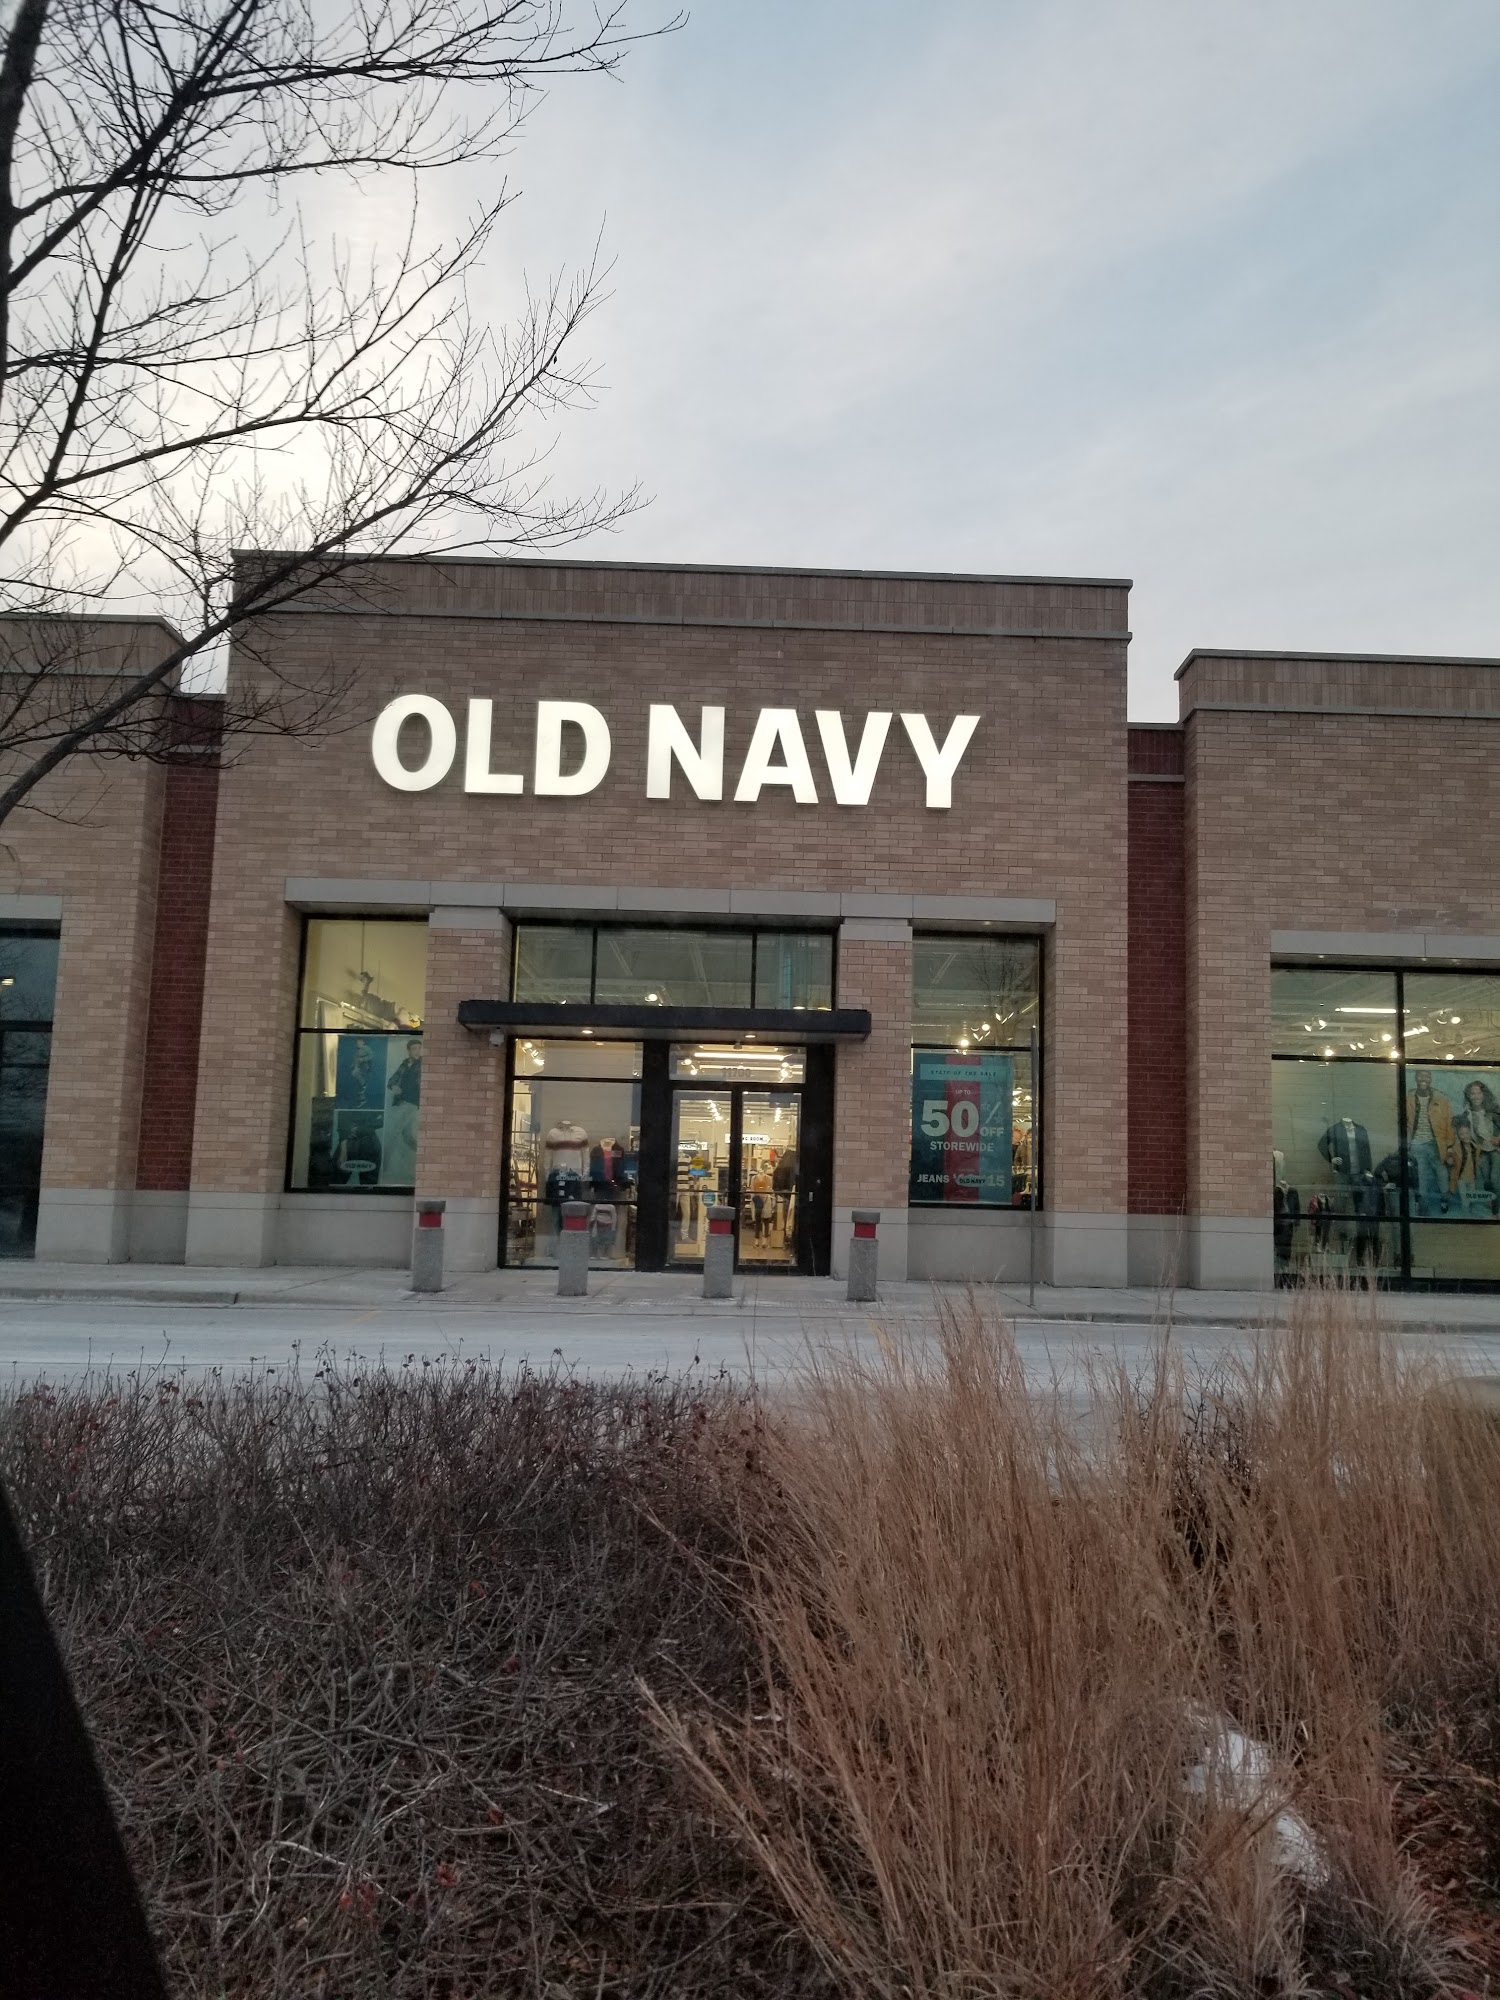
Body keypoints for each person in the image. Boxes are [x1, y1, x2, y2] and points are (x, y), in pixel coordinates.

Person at [1405, 1068, 1457, 1216]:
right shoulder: (1408, 1099)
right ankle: (1423, 1208)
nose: (1423, 1078)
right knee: (1421, 1176)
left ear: (1431, 1079)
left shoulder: (1441, 1100)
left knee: (1442, 1174)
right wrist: (1405, 1144)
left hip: (1436, 1144)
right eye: (1420, 1075)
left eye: (1427, 1076)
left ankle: (1444, 1201)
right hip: (1416, 1144)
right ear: (1415, 1078)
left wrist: (1450, 1146)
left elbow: (1449, 1123)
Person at [1455, 1078, 1500, 1214]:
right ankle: (1492, 1201)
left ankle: (1496, 1208)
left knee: (1495, 1178)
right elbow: (1463, 1134)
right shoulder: (1466, 1115)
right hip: (1480, 1151)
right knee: (1486, 1180)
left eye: (1479, 1093)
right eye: (1472, 1093)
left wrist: (1498, 1138)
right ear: (1468, 1096)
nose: (1476, 1096)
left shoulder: (1494, 1111)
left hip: (1496, 1150)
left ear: (1484, 1094)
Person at [382, 1037, 422, 1184]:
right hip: (402, 1102)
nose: (417, 1051)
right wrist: (394, 1087)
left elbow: (420, 1085)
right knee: (407, 1137)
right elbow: (392, 1081)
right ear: (409, 1051)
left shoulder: (422, 1065)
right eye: (414, 1048)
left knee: (392, 1133)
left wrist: (403, 1090)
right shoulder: (405, 1064)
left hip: (410, 1103)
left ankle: (383, 1170)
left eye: (419, 1048)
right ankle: (427, 1155)